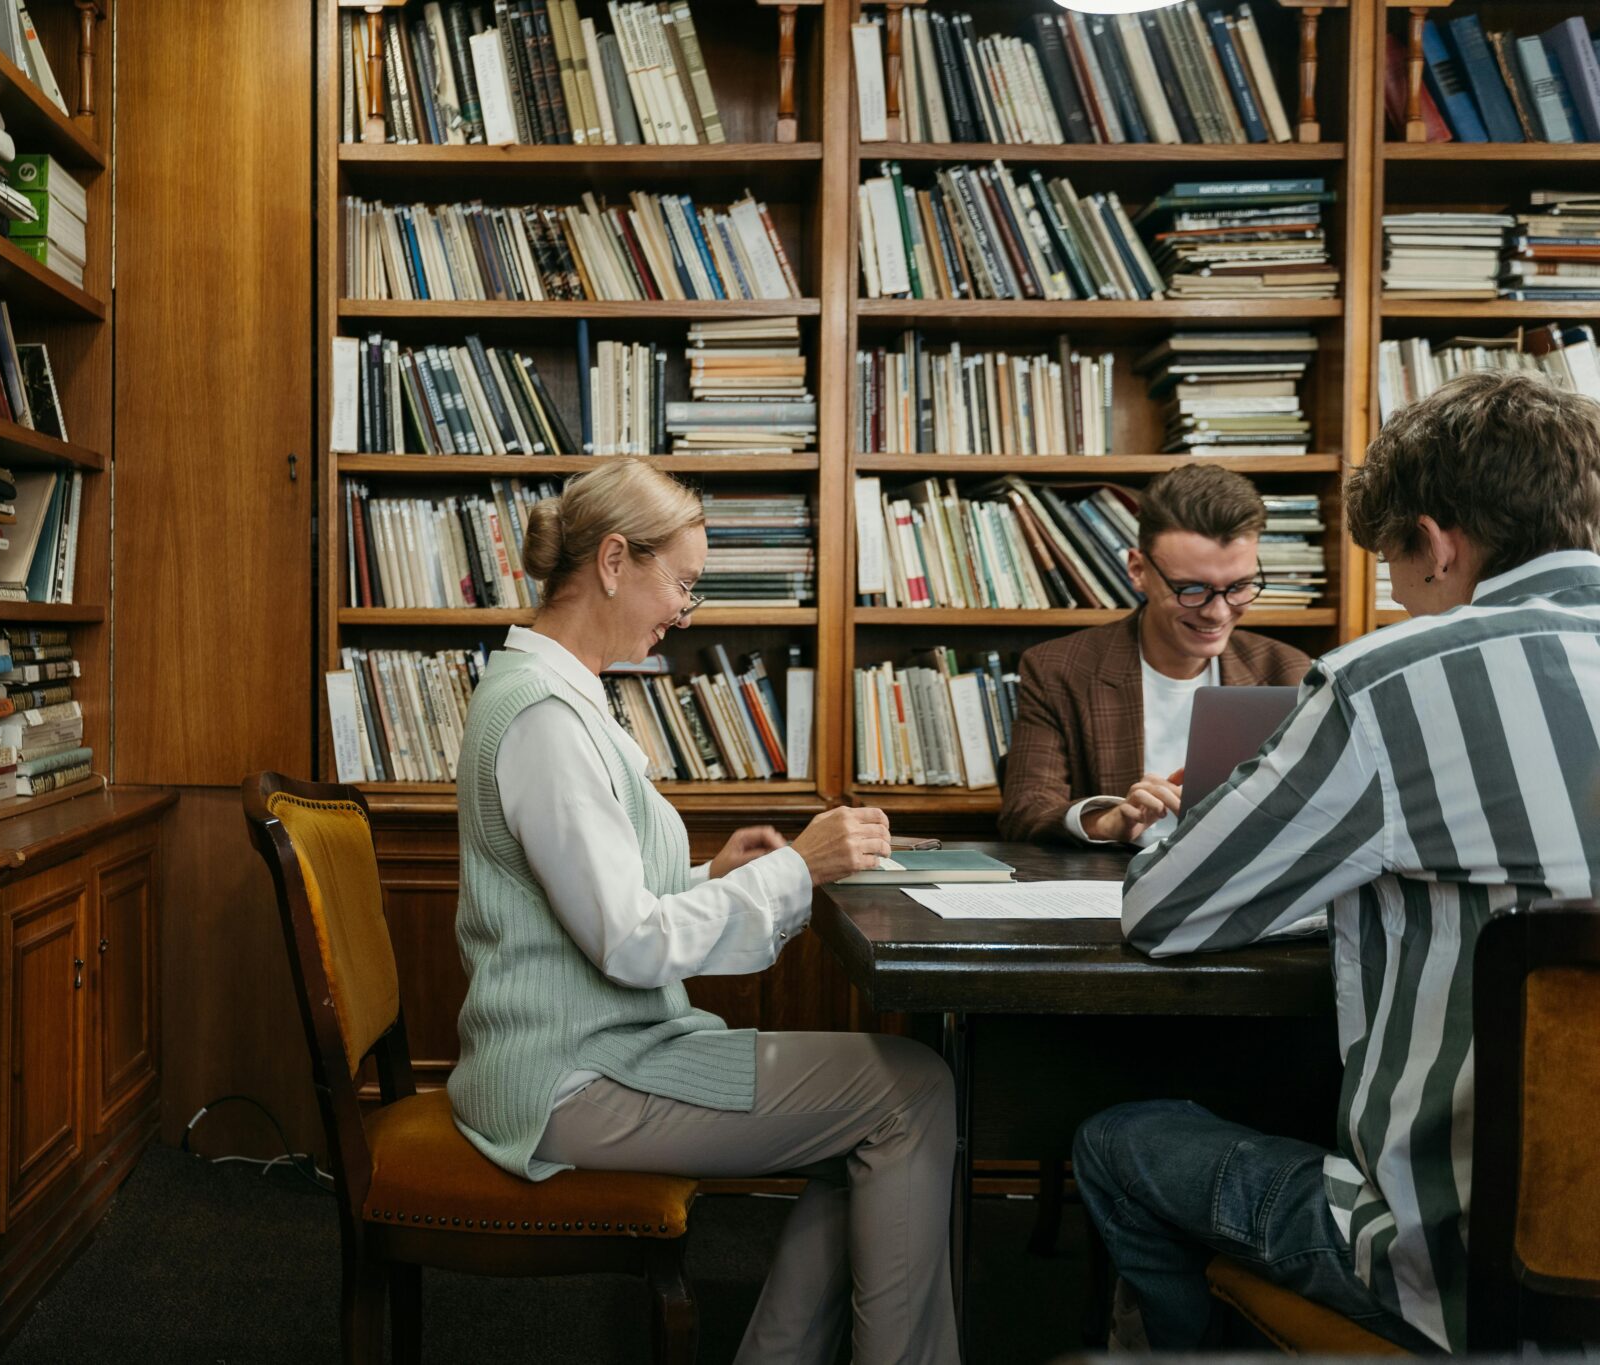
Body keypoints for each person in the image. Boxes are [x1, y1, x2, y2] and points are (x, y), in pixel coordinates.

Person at [1073, 370, 1600, 1354]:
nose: (1396, 598)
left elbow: (1163, 914)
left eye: (1394, 566)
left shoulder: (1390, 679)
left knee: (1119, 1143)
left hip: (1457, 1273)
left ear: (1437, 540)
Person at [447, 458, 959, 1365]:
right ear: (614, 561)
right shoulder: (546, 721)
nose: (685, 610)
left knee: (887, 1102)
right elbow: (629, 942)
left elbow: (601, 901)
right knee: (909, 1090)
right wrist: (798, 868)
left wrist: (712, 875)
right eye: (681, 582)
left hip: (590, 1054)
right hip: (573, 1079)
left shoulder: (558, 698)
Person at [999, 464, 1309, 847]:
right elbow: (1025, 809)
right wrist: (1108, 821)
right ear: (1137, 570)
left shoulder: (1289, 671)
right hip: (1112, 887)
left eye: (1240, 586)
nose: (1218, 612)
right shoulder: (1057, 670)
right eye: (1191, 589)